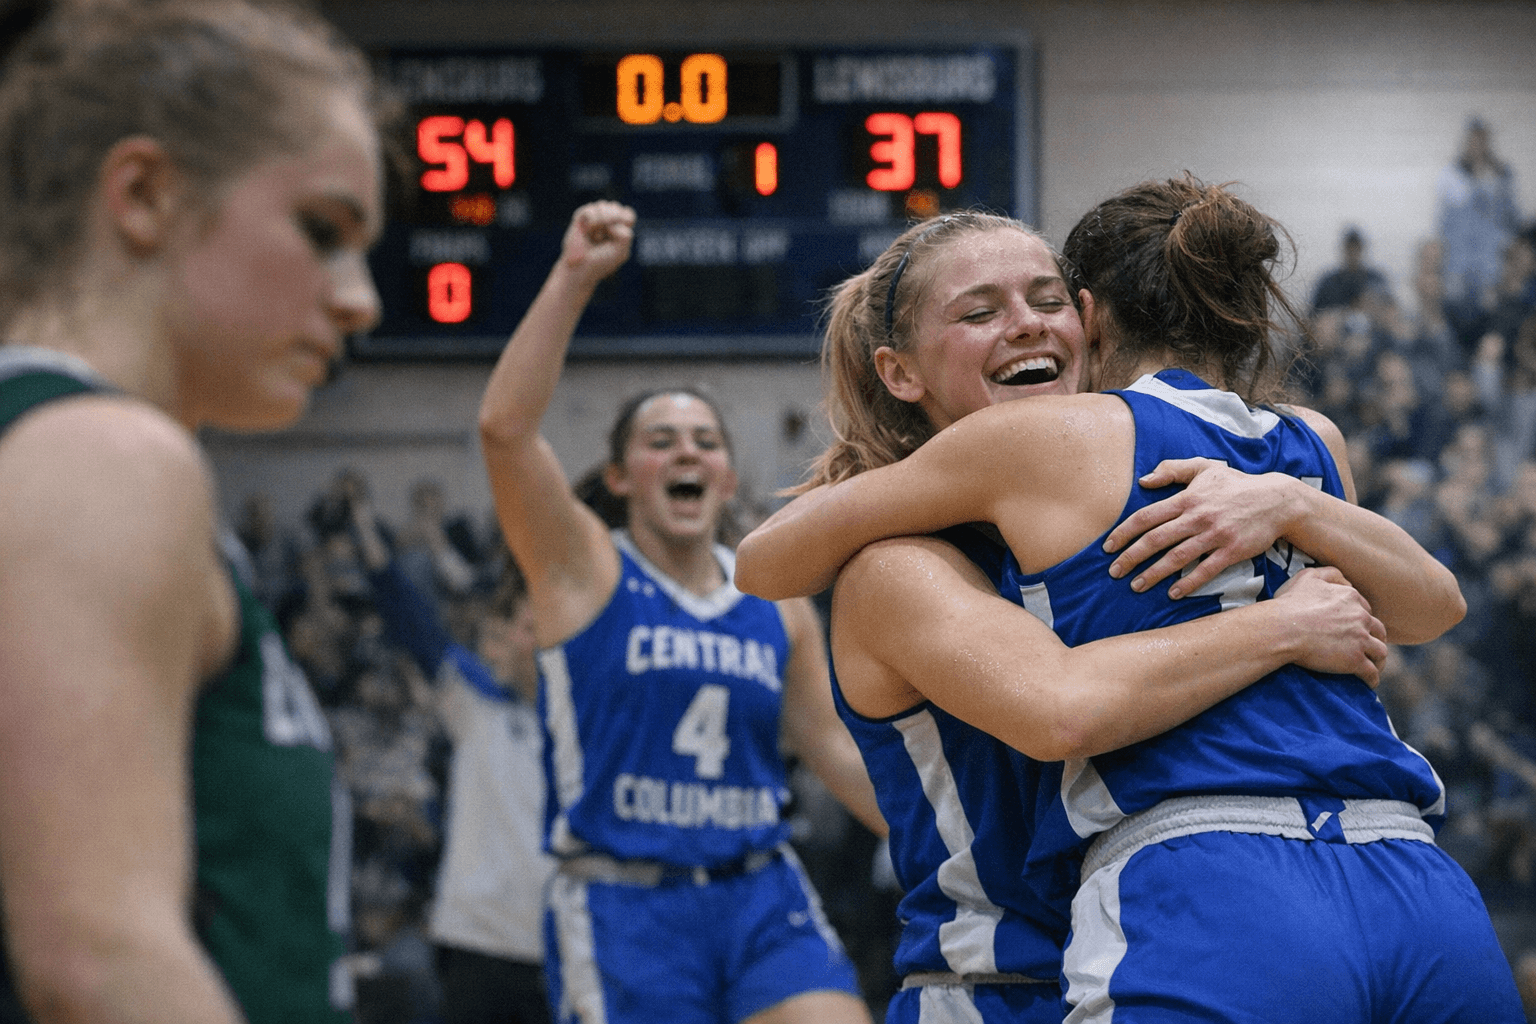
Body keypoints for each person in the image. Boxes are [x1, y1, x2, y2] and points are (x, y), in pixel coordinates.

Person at [737, 178, 1526, 1021]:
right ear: (899, 371)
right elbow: (1066, 705)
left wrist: (1291, 503)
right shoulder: (898, 564)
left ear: (1093, 318)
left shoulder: (1142, 476)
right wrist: (1286, 623)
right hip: (1009, 987)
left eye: (1050, 299)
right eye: (980, 313)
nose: (1030, 323)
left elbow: (1434, 603)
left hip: (1201, 915)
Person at [0, 1, 383, 1021]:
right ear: (145, 193)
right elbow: (97, 959)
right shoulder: (104, 456)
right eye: (323, 230)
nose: (360, 298)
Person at [477, 200, 885, 1024]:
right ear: (622, 476)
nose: (687, 451)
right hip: (625, 905)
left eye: (705, 440)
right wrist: (572, 279)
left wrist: (965, 841)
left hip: (760, 890)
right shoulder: (580, 570)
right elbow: (505, 430)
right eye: (661, 440)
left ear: (728, 480)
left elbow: (836, 750)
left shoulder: (774, 601)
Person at [346, 488, 557, 1024]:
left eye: (539, 628)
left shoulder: (586, 719)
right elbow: (410, 618)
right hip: (475, 938)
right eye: (520, 628)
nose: (527, 640)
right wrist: (369, 537)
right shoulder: (474, 701)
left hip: (559, 938)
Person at [1438, 117, 1521, 310]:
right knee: (1459, 316)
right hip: (1458, 269)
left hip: (1492, 270)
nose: (1477, 146)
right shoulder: (1451, 175)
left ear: (1488, 142)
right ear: (1466, 143)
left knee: (1491, 317)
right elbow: (1445, 226)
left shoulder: (1502, 176)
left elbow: (1512, 221)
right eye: (1472, 141)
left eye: (1481, 140)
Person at [1310, 225, 1388, 315]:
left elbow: (1391, 310)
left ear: (1362, 249)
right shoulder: (1328, 283)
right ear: (1344, 250)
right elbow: (1313, 315)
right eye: (1350, 248)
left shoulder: (1376, 279)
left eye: (1356, 248)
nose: (1353, 252)